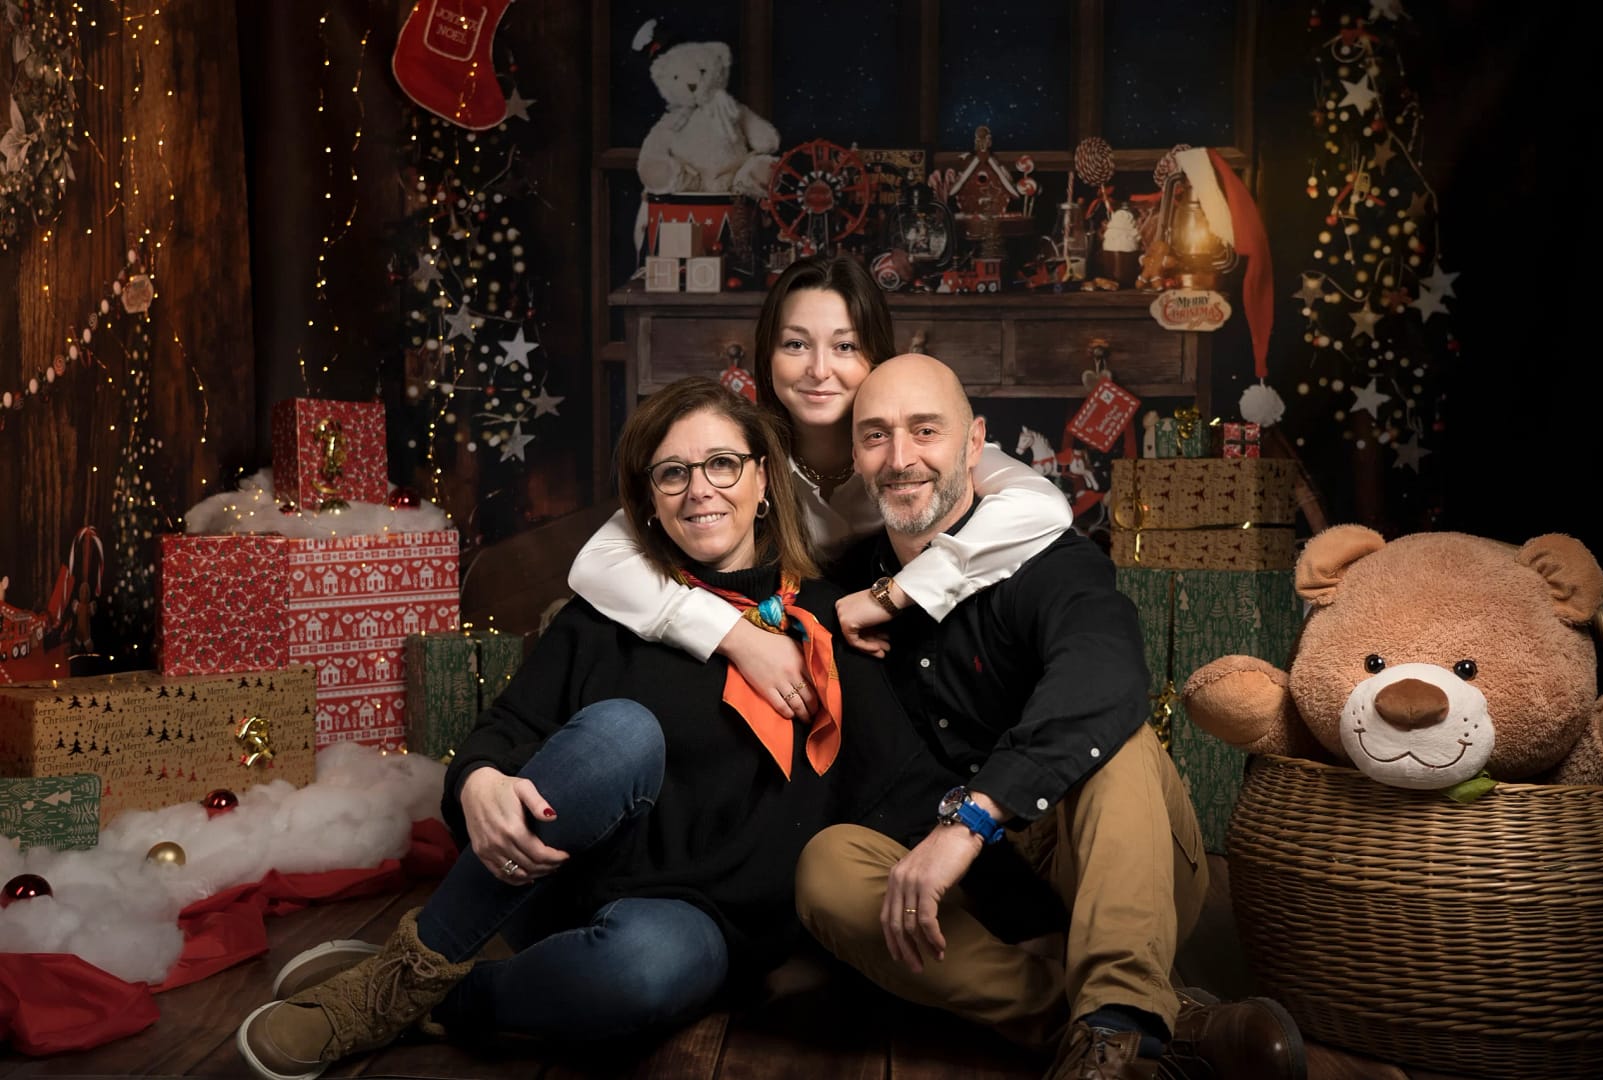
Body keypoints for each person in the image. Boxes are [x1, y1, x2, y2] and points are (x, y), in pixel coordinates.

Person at [236, 377, 922, 1080]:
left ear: (763, 479)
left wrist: (972, 834)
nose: (699, 491)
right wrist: (476, 781)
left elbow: (902, 792)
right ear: (649, 500)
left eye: (722, 464)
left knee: (642, 971)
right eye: (673, 473)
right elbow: (502, 730)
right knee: (624, 730)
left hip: (698, 929)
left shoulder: (834, 623)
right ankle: (393, 985)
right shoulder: (608, 614)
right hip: (550, 884)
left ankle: (422, 991)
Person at [795, 354, 1308, 1080]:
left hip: (1117, 853)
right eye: (876, 435)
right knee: (827, 868)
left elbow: (1104, 680)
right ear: (855, 455)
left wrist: (971, 820)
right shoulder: (844, 587)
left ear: (974, 444)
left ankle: (1115, 1017)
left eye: (925, 431)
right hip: (974, 893)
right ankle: (1127, 1026)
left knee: (1116, 739)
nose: (900, 457)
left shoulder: (1050, 556)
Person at [568, 252, 1072, 720]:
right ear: (768, 357)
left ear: (876, 356)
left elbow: (1043, 506)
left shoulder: (915, 450)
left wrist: (895, 594)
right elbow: (597, 562)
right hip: (784, 673)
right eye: (796, 344)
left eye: (845, 346)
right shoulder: (740, 458)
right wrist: (736, 638)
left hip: (920, 662)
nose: (819, 370)